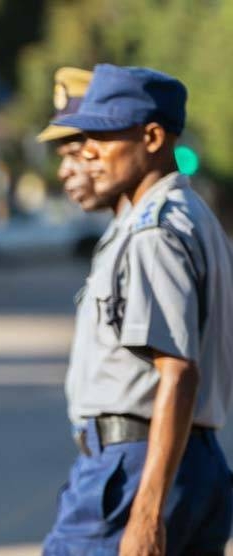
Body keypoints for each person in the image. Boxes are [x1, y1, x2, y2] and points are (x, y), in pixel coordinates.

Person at [42, 63, 233, 556]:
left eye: (104, 139)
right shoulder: (192, 217)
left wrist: (146, 512)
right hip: (188, 457)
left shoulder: (154, 232)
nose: (91, 154)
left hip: (134, 464)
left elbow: (178, 372)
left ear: (151, 137)